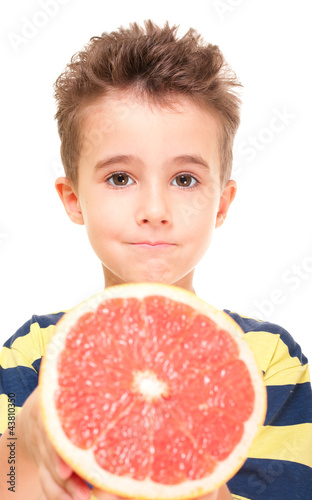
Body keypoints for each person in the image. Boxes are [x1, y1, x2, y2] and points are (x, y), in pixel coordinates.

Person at [0, 19, 311, 500]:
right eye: (120, 178)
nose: (154, 211)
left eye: (184, 179)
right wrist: (25, 446)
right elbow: (10, 479)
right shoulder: (32, 354)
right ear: (73, 198)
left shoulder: (267, 362)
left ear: (222, 203)